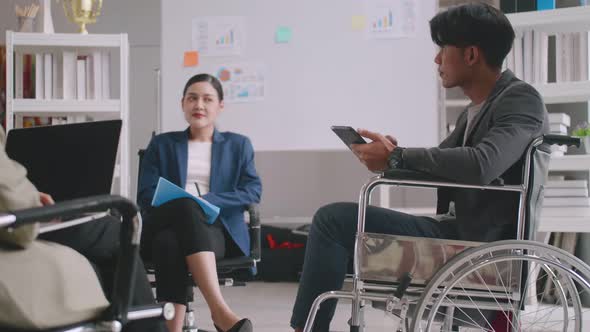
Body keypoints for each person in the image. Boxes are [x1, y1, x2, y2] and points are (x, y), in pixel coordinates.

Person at [290, 3, 549, 331]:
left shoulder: (521, 100)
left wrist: (399, 157)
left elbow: (483, 164)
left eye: (443, 49)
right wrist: (390, 156)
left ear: (470, 55)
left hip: (480, 244)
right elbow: (439, 164)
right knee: (335, 220)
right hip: (457, 232)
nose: (436, 59)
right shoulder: (478, 108)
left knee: (332, 220)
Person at [0, 125, 165, 332]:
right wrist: (29, 199)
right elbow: (20, 226)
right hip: (13, 227)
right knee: (115, 231)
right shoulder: (164, 144)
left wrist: (30, 193)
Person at [137, 73, 262, 332]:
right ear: (183, 103)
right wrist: (189, 202)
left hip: (215, 230)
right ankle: (219, 311)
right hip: (162, 220)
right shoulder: (162, 144)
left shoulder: (238, 145)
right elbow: (145, 195)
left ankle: (171, 329)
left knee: (170, 242)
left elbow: (253, 190)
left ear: (220, 106)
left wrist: (208, 200)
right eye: (192, 98)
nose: (199, 105)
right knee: (185, 206)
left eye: (207, 99)